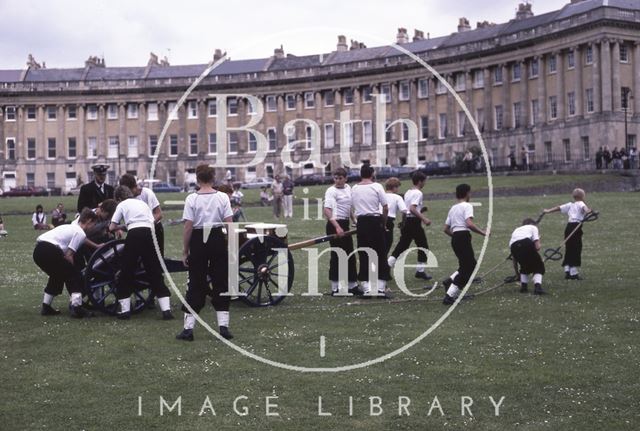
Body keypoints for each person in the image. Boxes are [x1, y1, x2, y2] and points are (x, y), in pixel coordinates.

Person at [177, 164, 234, 341]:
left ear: (197, 179)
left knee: (195, 282)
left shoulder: (191, 199)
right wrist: (231, 247)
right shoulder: (223, 197)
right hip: (217, 237)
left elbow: (188, 227)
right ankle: (223, 327)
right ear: (213, 178)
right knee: (220, 281)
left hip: (199, 238)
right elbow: (229, 224)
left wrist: (185, 251)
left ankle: (188, 329)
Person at [109, 185, 173, 320]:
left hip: (134, 235)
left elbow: (112, 226)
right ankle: (166, 310)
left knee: (126, 271)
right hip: (149, 233)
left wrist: (121, 227)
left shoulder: (122, 205)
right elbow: (151, 221)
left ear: (119, 198)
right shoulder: (142, 204)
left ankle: (125, 311)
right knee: (154, 271)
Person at [33, 208, 98, 318]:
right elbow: (69, 255)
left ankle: (46, 307)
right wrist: (72, 268)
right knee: (74, 275)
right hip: (50, 249)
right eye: (94, 224)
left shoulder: (70, 226)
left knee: (57, 275)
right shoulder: (80, 232)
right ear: (88, 221)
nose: (93, 227)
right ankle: (77, 308)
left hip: (38, 251)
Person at [442, 184, 488, 305]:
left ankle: (449, 281)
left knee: (466, 264)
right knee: (469, 266)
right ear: (467, 193)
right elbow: (469, 224)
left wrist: (457, 237)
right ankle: (450, 295)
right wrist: (483, 233)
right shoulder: (467, 206)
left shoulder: (453, 208)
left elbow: (446, 229)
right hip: (462, 236)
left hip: (456, 237)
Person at [352, 164, 390, 298]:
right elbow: (385, 207)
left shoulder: (355, 188)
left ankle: (367, 288)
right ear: (372, 174)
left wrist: (356, 222)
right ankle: (380, 288)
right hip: (375, 221)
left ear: (360, 174)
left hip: (362, 222)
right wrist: (383, 223)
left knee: (364, 255)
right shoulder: (377, 186)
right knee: (380, 254)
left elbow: (352, 207)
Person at [387, 171, 432, 281]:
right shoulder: (418, 193)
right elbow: (412, 209)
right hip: (414, 222)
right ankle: (420, 271)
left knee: (402, 246)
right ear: (420, 181)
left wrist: (403, 222)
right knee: (423, 246)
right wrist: (424, 218)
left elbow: (405, 210)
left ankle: (386, 266)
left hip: (407, 222)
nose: (425, 183)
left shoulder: (408, 192)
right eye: (424, 181)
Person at [323, 167, 359, 296]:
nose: (337, 181)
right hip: (334, 224)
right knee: (337, 256)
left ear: (345, 178)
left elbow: (348, 207)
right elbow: (327, 210)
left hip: (345, 223)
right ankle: (335, 288)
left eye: (340, 178)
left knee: (350, 254)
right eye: (335, 178)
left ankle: (352, 286)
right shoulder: (331, 191)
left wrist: (354, 220)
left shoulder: (348, 188)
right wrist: (337, 227)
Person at [543, 188, 592, 280]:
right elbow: (584, 208)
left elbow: (558, 208)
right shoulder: (581, 203)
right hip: (576, 227)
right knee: (576, 248)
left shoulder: (570, 204)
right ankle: (573, 273)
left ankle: (567, 269)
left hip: (569, 227)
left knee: (569, 247)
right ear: (582, 196)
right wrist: (588, 211)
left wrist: (548, 211)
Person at [118, 174, 165, 256]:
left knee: (156, 259)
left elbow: (159, 214)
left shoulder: (147, 193)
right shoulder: (126, 198)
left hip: (154, 230)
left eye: (129, 191)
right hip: (136, 232)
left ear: (134, 186)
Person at [509, 218, 546, 295]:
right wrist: (537, 240)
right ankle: (538, 288)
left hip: (513, 247)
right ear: (532, 224)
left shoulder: (516, 230)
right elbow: (538, 247)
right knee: (539, 266)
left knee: (524, 266)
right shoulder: (533, 227)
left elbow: (514, 260)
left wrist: (517, 274)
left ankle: (524, 287)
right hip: (526, 243)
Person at [383, 177, 408, 257]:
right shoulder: (397, 197)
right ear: (394, 187)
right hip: (388, 221)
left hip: (377, 220)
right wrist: (403, 222)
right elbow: (404, 211)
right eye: (398, 187)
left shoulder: (381, 195)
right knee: (387, 244)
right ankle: (382, 265)